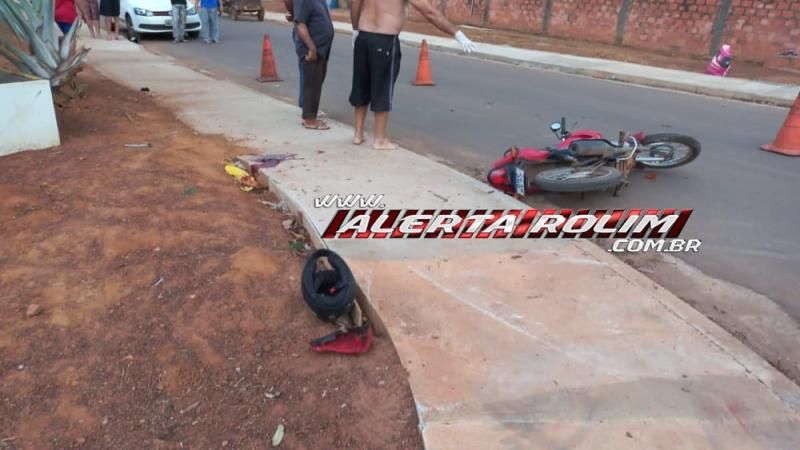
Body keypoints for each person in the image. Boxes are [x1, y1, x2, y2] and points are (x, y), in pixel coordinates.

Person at [349, 0, 477, 149]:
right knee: (383, 88)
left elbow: (355, 3)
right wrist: (457, 33)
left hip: (363, 37)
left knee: (361, 85)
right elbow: (429, 12)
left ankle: (358, 134)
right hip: (385, 40)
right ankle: (380, 139)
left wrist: (355, 29)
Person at [292, 0, 334, 130]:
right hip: (312, 50)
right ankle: (310, 121)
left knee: (316, 84)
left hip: (321, 49)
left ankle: (311, 117)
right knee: (311, 85)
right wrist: (311, 48)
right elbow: (300, 24)